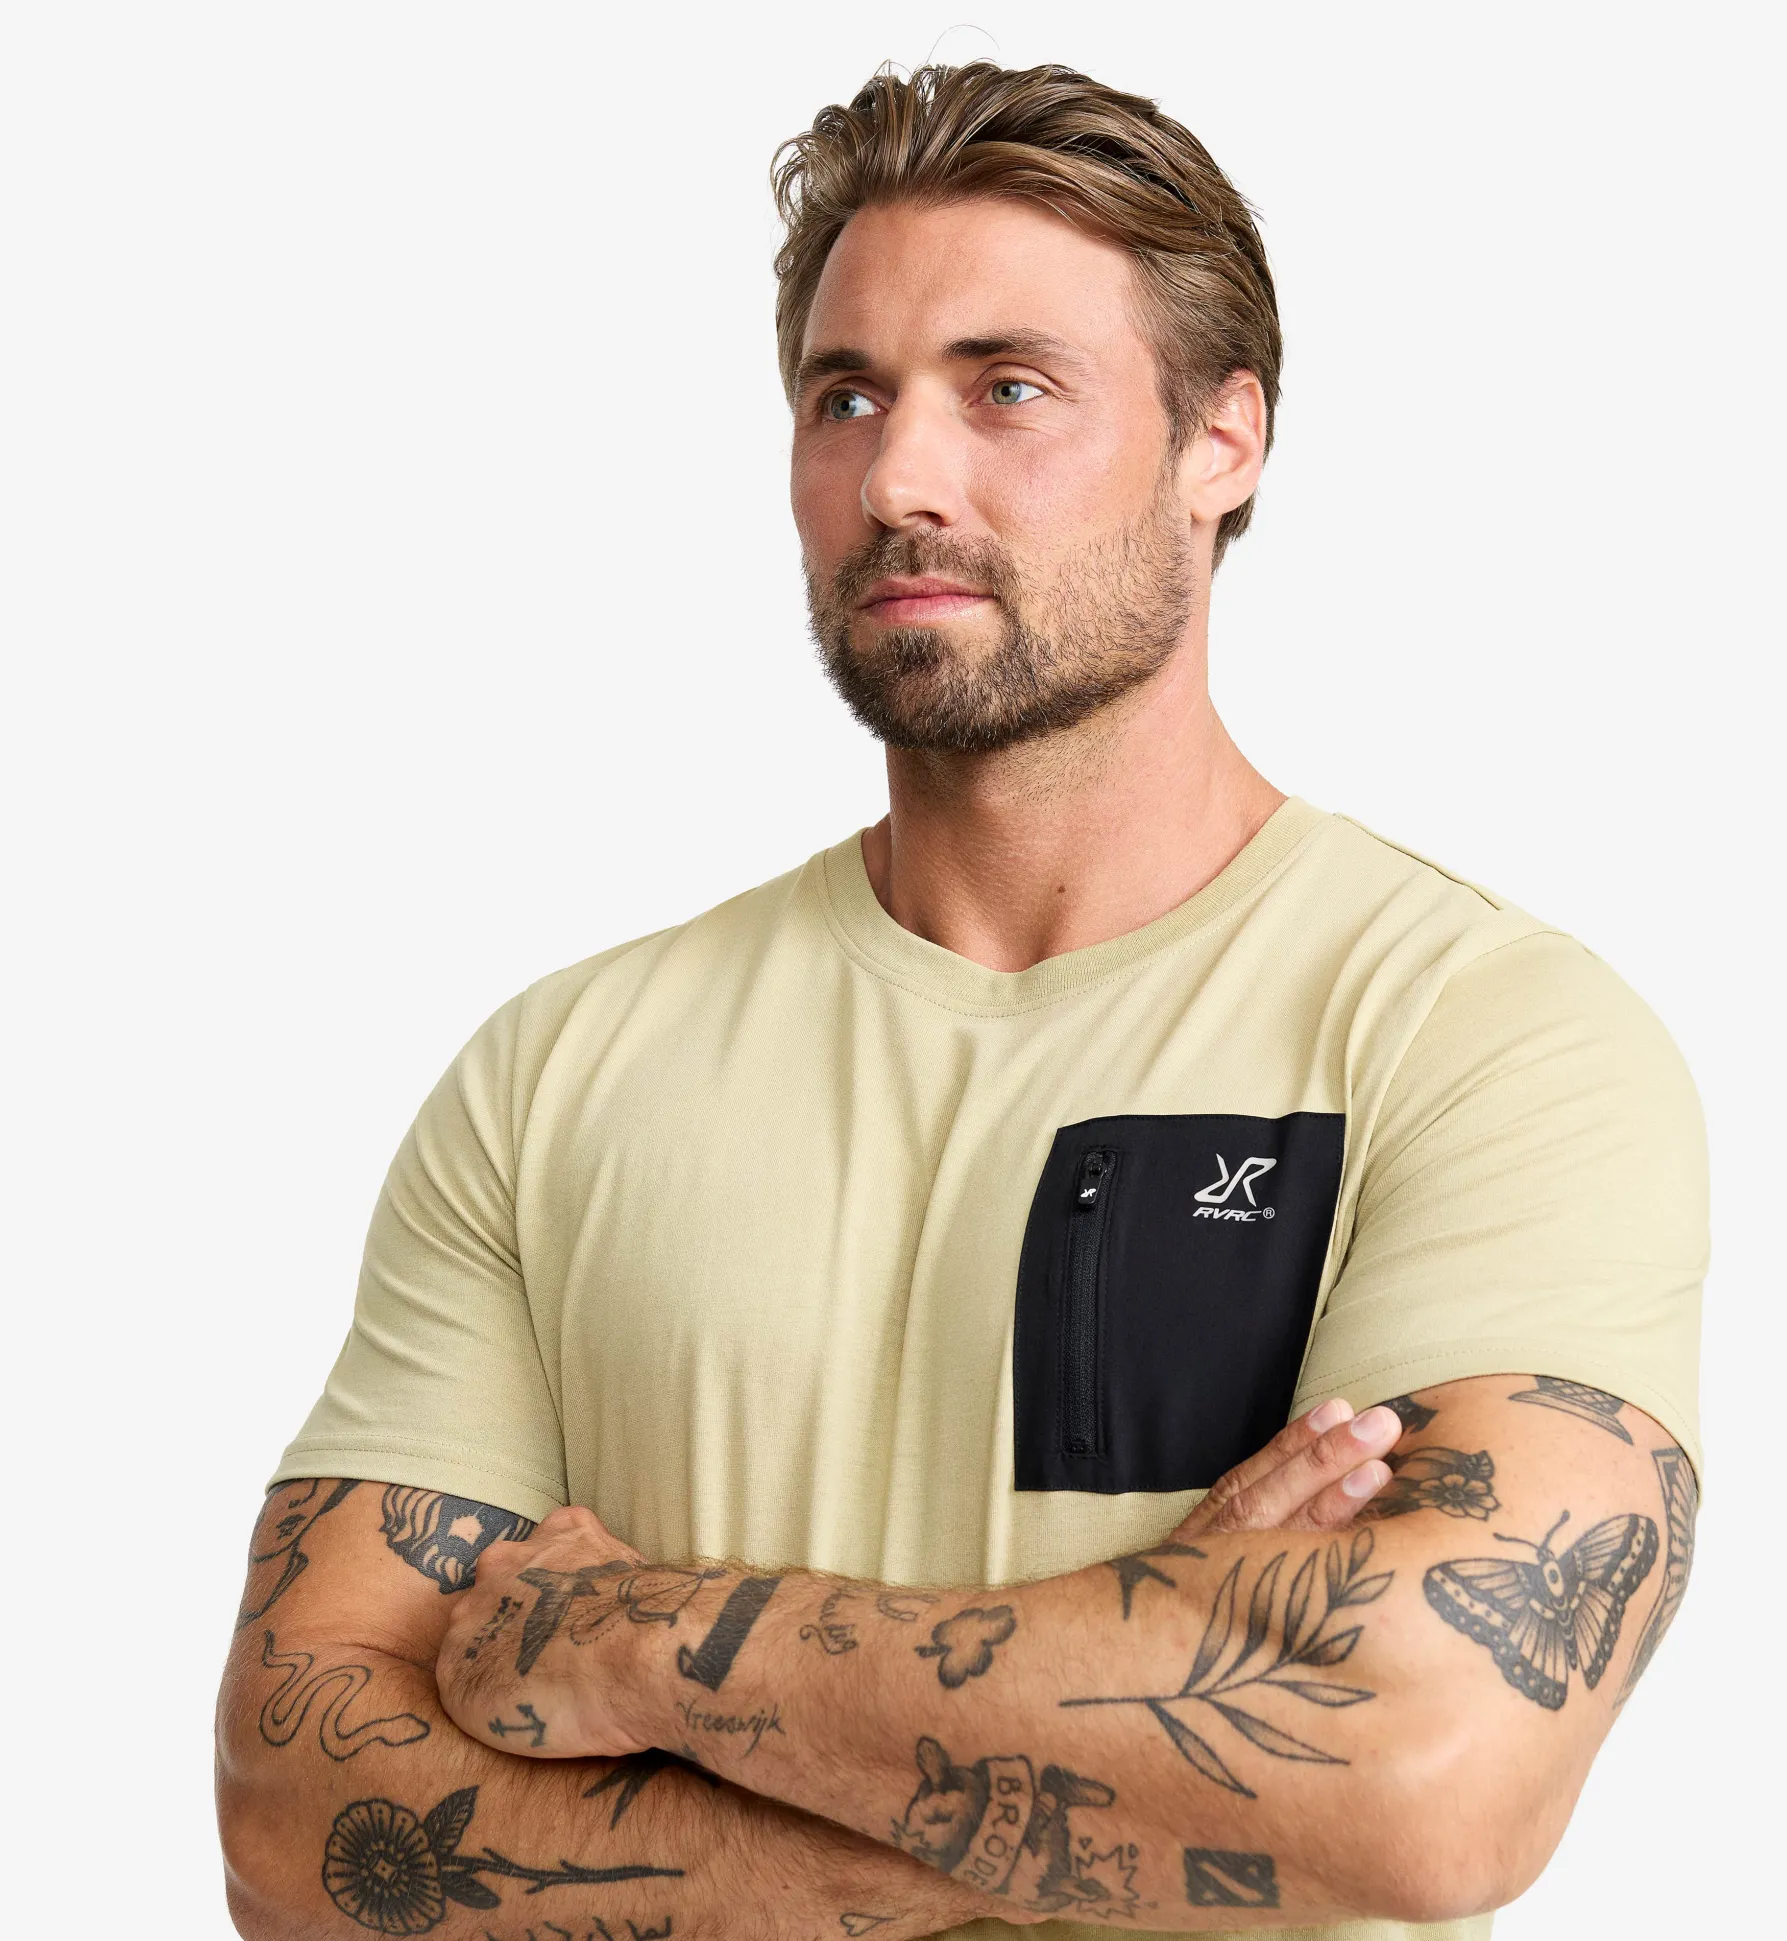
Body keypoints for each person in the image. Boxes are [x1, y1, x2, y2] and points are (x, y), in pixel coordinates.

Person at [215, 62, 1705, 1941]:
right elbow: (298, 1828)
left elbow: (1427, 1784)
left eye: (1008, 388)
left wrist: (653, 1642)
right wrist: (1150, 1708)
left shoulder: (1483, 1040)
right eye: (847, 397)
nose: (900, 480)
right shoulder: (562, 1074)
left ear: (1223, 441)